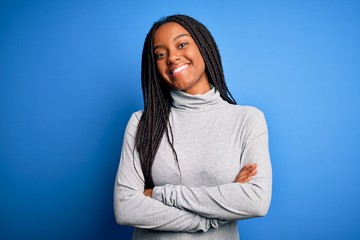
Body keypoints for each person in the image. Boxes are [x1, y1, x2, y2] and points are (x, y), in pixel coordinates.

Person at [113, 14, 272, 239]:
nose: (172, 57)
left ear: (204, 47)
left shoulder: (247, 119)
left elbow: (255, 200)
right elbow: (126, 208)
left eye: (182, 44)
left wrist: (159, 194)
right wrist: (212, 217)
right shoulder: (141, 123)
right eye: (160, 54)